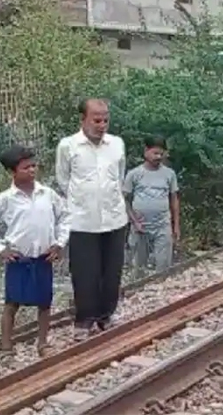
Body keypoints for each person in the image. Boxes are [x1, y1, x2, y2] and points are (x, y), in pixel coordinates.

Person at [0, 145, 69, 356]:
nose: (32, 170)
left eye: (34, 166)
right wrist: (0, 249)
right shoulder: (5, 199)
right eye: (26, 167)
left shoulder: (48, 194)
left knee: (44, 303)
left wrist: (60, 243)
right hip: (19, 259)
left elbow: (65, 217)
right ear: (12, 172)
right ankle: (6, 346)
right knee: (12, 303)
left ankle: (43, 344)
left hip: (44, 257)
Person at [55, 98, 128, 341]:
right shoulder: (68, 146)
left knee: (111, 271)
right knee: (85, 272)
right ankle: (84, 319)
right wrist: (83, 200)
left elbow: (119, 176)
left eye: (105, 119)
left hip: (114, 218)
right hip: (82, 220)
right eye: (96, 120)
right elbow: (63, 180)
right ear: (83, 119)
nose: (102, 124)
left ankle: (106, 315)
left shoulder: (116, 144)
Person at [123, 135, 180, 276]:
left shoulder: (169, 174)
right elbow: (124, 200)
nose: (158, 157)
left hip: (162, 224)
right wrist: (134, 221)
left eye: (161, 154)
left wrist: (176, 225)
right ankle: (138, 293)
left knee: (164, 265)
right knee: (138, 267)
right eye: (155, 153)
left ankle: (162, 292)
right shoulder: (134, 174)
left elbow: (174, 199)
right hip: (140, 226)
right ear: (146, 151)